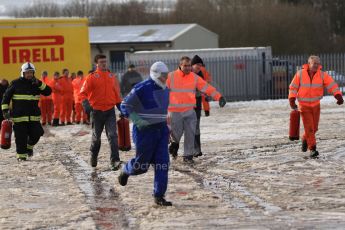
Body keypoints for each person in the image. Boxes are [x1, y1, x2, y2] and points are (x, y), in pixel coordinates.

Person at [118, 61, 172, 206]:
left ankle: (159, 195)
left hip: (161, 131)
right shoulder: (142, 87)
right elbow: (125, 105)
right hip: (144, 132)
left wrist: (169, 128)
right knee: (141, 166)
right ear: (156, 74)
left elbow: (166, 111)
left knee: (162, 164)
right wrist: (136, 119)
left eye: (166, 75)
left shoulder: (167, 89)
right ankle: (127, 170)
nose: (165, 78)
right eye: (163, 75)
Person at [167, 56, 226, 163]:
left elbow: (207, 87)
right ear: (180, 65)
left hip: (189, 111)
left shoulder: (194, 77)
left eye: (189, 66)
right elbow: (160, 89)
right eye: (185, 65)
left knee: (190, 133)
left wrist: (219, 97)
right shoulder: (171, 76)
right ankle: (174, 146)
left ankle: (188, 156)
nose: (188, 68)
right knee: (176, 134)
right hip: (175, 112)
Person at [289, 55, 343, 158]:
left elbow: (332, 85)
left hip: (316, 105)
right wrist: (292, 99)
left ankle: (305, 138)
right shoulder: (300, 74)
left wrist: (338, 96)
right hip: (304, 106)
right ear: (309, 64)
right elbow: (293, 87)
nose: (316, 65)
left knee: (314, 128)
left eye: (318, 63)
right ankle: (312, 149)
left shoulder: (322, 75)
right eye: (314, 63)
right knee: (309, 127)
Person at [80, 54, 123, 171]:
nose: (104, 63)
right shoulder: (91, 77)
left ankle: (115, 160)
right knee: (96, 137)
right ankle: (93, 155)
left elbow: (117, 95)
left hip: (110, 111)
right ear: (96, 64)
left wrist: (121, 108)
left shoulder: (112, 77)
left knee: (113, 135)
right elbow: (82, 93)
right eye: (101, 62)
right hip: (96, 112)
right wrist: (86, 105)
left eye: (105, 61)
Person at [1, 62, 51, 160]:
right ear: (23, 73)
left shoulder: (37, 84)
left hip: (34, 117)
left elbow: (48, 92)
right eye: (27, 73)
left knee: (37, 133)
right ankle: (21, 157)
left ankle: (29, 147)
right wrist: (5, 110)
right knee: (20, 138)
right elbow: (6, 97)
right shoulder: (15, 83)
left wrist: (39, 83)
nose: (29, 75)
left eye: (31, 73)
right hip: (19, 117)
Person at [191, 55, 210, 158]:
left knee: (196, 128)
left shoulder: (201, 74)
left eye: (201, 65)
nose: (199, 66)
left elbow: (202, 87)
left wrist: (204, 93)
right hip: (185, 106)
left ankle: (197, 150)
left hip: (197, 106)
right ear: (192, 65)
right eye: (197, 64)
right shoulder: (187, 74)